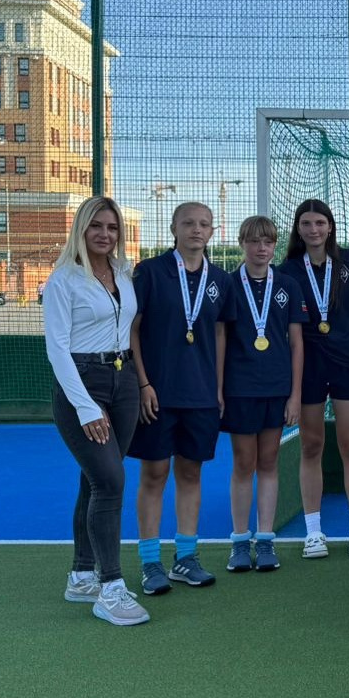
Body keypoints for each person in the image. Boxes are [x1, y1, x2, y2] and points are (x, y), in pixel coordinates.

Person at [45, 195, 149, 626]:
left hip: (123, 380)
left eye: (112, 227)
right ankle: (111, 588)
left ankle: (81, 575)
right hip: (83, 384)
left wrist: (138, 383)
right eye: (96, 226)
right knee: (110, 481)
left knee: (96, 480)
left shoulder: (124, 273)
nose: (105, 234)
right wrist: (85, 407)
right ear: (81, 230)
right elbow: (57, 350)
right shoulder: (63, 280)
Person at [128, 200, 230, 594]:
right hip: (158, 394)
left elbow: (219, 334)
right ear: (174, 228)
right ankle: (150, 562)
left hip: (201, 396)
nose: (196, 229)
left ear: (212, 231)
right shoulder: (150, 272)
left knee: (191, 474)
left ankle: (186, 557)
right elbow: (132, 329)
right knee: (154, 474)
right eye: (188, 222)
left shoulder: (220, 279)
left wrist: (217, 388)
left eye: (204, 224)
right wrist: (143, 383)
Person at [277, 198, 349, 560]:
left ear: (330, 226)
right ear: (298, 229)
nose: (314, 230)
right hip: (309, 365)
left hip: (348, 362)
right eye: (306, 223)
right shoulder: (287, 270)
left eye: (320, 223)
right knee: (311, 445)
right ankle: (313, 532)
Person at [222, 216, 308, 573]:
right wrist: (219, 390)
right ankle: (240, 542)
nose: (261, 248)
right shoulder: (227, 284)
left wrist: (295, 395)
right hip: (239, 389)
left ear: (275, 246)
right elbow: (220, 340)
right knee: (244, 463)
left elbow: (297, 344)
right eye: (254, 241)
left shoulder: (287, 284)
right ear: (242, 243)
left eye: (268, 242)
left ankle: (266, 538)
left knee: (269, 461)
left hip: (276, 388)